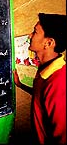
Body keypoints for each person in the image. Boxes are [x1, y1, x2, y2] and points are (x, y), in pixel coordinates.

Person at [13, 13, 66, 145]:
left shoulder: (59, 82)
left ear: (48, 43)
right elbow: (42, 96)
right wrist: (20, 84)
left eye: (35, 32)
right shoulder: (45, 69)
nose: (29, 36)